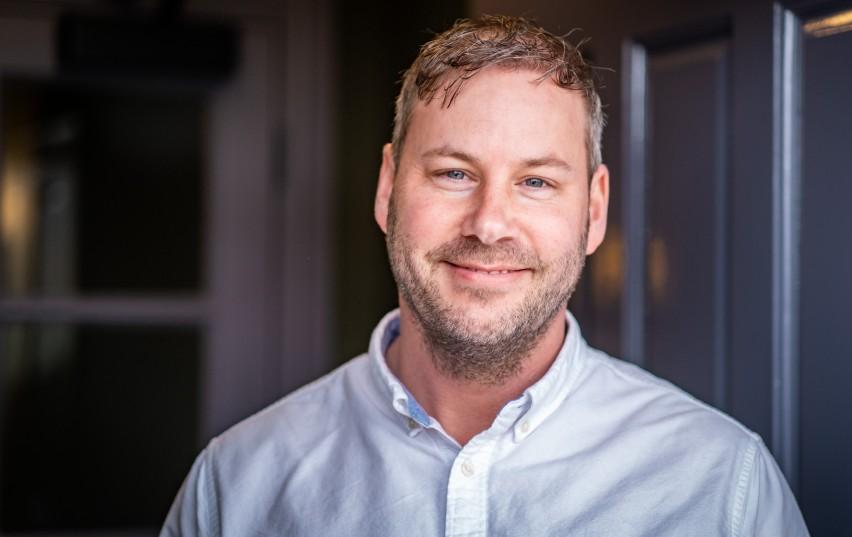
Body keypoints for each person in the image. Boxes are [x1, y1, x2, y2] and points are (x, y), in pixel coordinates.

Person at [162, 15, 809, 536]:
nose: (489, 223)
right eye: (453, 172)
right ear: (388, 187)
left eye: (535, 181)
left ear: (594, 210)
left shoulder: (724, 487)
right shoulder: (237, 485)